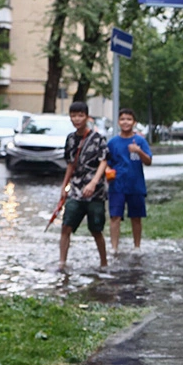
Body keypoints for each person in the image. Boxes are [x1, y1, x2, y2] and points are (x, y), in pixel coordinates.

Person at [58, 101, 109, 269]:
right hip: (76, 189)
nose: (77, 119)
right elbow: (70, 164)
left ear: (87, 117)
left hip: (96, 191)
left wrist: (94, 183)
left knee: (96, 229)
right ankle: (62, 262)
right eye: (73, 116)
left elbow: (103, 162)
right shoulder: (71, 139)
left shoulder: (98, 138)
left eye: (80, 115)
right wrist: (64, 187)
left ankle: (103, 263)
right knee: (66, 226)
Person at [106, 108, 153, 252]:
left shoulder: (140, 141)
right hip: (117, 185)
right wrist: (108, 171)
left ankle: (137, 246)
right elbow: (106, 162)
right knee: (115, 216)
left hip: (135, 185)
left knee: (136, 217)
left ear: (134, 122)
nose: (125, 122)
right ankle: (114, 247)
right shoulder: (113, 142)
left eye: (128, 119)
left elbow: (149, 161)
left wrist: (138, 151)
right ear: (118, 122)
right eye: (122, 119)